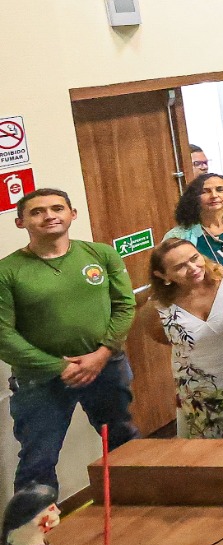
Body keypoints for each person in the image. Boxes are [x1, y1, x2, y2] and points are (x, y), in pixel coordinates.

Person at [0, 189, 137, 489]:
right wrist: (58, 367)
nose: (49, 216)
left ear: (72, 214)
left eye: (57, 208)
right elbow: (3, 334)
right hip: (41, 380)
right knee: (38, 460)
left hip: (106, 366)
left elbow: (125, 306)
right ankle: (29, 534)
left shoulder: (101, 254)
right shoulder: (6, 271)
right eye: (37, 212)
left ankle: (138, 511)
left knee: (124, 443)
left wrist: (101, 354)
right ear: (20, 222)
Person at [146, 237, 223, 439]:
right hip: (201, 390)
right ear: (163, 275)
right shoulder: (156, 308)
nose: (193, 267)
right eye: (180, 267)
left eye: (195, 258)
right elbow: (168, 340)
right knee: (214, 451)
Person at [166, 173, 223, 279]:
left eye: (220, 189)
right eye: (205, 191)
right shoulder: (178, 236)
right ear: (195, 198)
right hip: (205, 294)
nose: (214, 195)